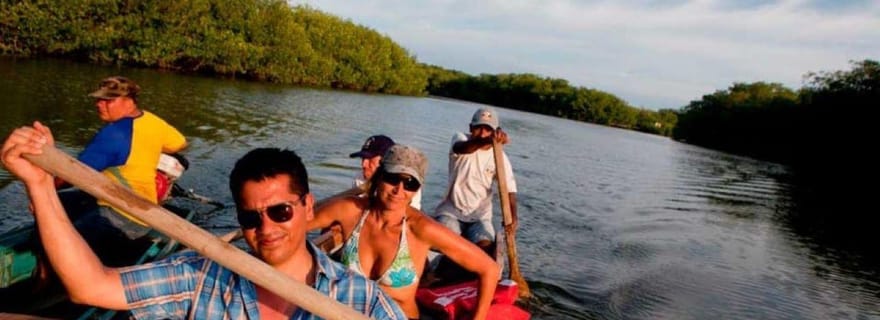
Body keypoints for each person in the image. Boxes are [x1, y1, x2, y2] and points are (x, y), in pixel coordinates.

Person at [1, 129, 406, 319]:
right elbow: (90, 286)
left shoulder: (361, 301)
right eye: (250, 216)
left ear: (306, 206)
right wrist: (40, 187)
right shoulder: (203, 277)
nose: (266, 227)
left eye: (280, 211)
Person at [309, 145, 500, 320]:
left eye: (410, 184)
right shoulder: (350, 210)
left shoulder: (421, 228)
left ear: (417, 189)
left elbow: (489, 269)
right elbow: (292, 226)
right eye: (393, 178)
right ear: (380, 176)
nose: (399, 190)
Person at [61, 76, 188, 244]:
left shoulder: (113, 134)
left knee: (56, 237)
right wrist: (148, 148)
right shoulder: (152, 121)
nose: (99, 104)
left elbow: (70, 176)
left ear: (129, 101)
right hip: (145, 212)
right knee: (65, 201)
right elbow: (180, 143)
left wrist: (44, 188)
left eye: (108, 100)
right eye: (99, 99)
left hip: (121, 213)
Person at [434, 107, 518, 253]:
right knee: (444, 245)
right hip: (451, 212)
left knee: (486, 249)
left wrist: (513, 218)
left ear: (495, 131)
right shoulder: (460, 139)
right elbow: (463, 148)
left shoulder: (500, 157)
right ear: (471, 128)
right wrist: (488, 141)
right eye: (478, 128)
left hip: (480, 217)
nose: (483, 133)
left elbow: (509, 190)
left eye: (488, 130)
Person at [349, 135, 421, 209]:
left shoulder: (409, 185)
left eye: (370, 160)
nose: (363, 164)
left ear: (385, 162)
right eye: (363, 159)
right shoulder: (360, 176)